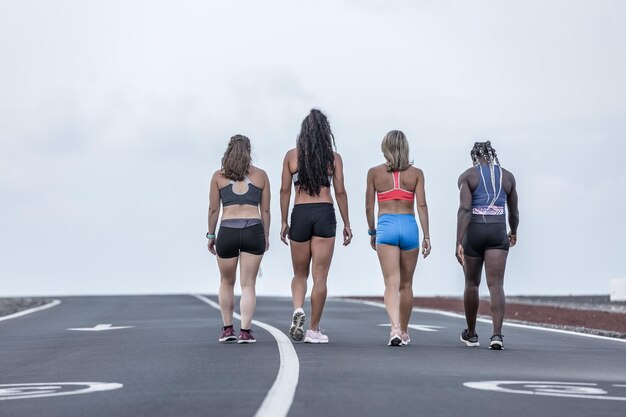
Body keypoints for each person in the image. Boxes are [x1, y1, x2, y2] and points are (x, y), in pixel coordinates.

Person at [280, 109, 353, 344]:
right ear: (325, 133)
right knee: (320, 277)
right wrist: (347, 223)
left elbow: (284, 190)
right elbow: (340, 191)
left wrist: (284, 221)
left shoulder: (291, 157)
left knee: (299, 273)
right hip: (324, 212)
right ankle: (313, 329)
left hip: (300, 213)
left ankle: (298, 309)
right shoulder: (333, 158)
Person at [365, 130, 431, 346]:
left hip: (386, 227)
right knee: (407, 284)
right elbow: (421, 205)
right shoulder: (417, 174)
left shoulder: (374, 173)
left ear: (385, 147)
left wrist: (372, 231)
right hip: (409, 226)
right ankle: (404, 330)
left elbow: (369, 206)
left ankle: (393, 329)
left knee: (391, 283)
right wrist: (427, 236)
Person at [207, 135, 270, 344]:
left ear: (229, 151)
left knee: (226, 282)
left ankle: (227, 330)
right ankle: (245, 331)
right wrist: (266, 236)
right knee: (248, 285)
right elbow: (266, 210)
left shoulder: (218, 176)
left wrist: (211, 235)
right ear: (249, 151)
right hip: (254, 230)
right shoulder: (261, 176)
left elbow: (214, 209)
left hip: (227, 231)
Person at [456, 141, 519, 350]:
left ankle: (472, 334)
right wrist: (514, 231)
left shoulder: (467, 176)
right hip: (497, 233)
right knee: (496, 285)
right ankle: (497, 336)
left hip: (474, 232)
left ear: (474, 157)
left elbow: (464, 210)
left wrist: (459, 241)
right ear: (493, 155)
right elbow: (514, 213)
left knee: (471, 283)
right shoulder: (508, 177)